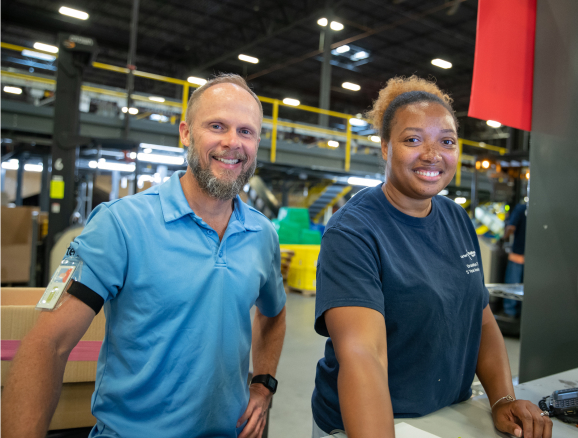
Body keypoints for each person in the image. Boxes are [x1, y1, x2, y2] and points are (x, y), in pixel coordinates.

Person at [1, 74, 287, 438]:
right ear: (186, 133)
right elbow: (48, 344)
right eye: (217, 126)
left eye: (246, 131)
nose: (232, 142)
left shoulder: (262, 235)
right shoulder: (120, 225)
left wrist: (262, 385)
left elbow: (274, 313)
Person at [311, 76, 552, 438]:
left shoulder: (456, 218)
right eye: (412, 140)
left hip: (446, 413)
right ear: (385, 147)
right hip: (371, 423)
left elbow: (481, 320)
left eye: (447, 141)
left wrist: (502, 399)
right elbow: (363, 356)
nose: (432, 154)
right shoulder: (354, 232)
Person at [502, 202, 527, 318]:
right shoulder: (540, 211)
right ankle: (523, 312)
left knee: (512, 284)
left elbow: (511, 227)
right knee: (526, 286)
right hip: (532, 258)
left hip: (517, 254)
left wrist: (504, 237)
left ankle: (510, 312)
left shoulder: (521, 208)